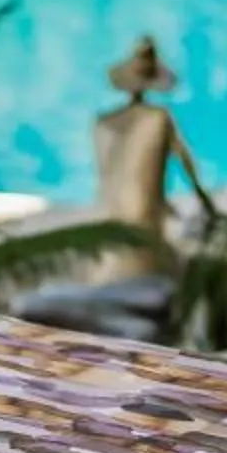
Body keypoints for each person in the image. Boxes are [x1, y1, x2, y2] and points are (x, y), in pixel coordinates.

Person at [90, 37, 206, 280]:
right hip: (148, 230)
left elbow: (109, 176)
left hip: (110, 224)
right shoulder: (159, 119)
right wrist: (209, 207)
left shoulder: (103, 124)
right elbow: (188, 168)